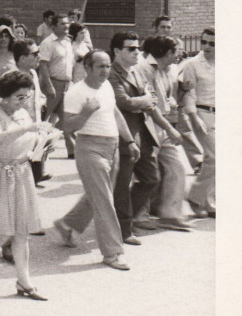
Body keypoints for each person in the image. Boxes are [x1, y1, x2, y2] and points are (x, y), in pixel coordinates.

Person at [52, 50, 137, 271]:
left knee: (99, 194)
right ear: (87, 68)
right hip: (90, 148)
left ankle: (68, 226)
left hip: (113, 146)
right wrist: (85, 113)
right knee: (105, 201)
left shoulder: (107, 86)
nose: (105, 71)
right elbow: (67, 127)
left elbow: (115, 113)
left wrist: (129, 141)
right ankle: (113, 253)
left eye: (108, 66)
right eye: (100, 66)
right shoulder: (76, 92)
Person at [0, 71, 49, 300]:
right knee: (3, 230)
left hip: (22, 171)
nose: (23, 101)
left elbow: (29, 141)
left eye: (26, 96)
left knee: (21, 231)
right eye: (19, 97)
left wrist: (44, 141)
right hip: (1, 172)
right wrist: (28, 129)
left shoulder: (23, 113)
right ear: (5, 97)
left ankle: (24, 282)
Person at [108, 31, 163, 243]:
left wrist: (144, 99)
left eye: (138, 48)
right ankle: (123, 229)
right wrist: (145, 100)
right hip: (125, 135)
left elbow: (152, 97)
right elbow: (123, 102)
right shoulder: (112, 74)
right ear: (116, 51)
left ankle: (122, 216)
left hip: (144, 133)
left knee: (151, 179)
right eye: (131, 48)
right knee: (122, 184)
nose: (136, 52)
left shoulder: (136, 71)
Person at [136, 35, 191, 231]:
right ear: (168, 53)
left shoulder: (166, 70)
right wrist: (169, 128)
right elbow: (150, 105)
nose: (180, 55)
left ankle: (170, 214)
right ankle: (139, 215)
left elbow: (168, 98)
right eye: (178, 51)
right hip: (148, 127)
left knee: (176, 168)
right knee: (148, 173)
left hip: (163, 124)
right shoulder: (144, 69)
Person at [183, 27, 215, 218]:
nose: (206, 46)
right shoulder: (192, 64)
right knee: (215, 157)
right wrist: (194, 118)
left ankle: (209, 201)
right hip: (202, 113)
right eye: (204, 42)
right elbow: (188, 94)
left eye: (212, 43)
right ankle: (196, 196)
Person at [13, 39, 50, 186]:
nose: (39, 56)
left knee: (33, 173)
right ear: (22, 58)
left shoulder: (33, 73)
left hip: (35, 128)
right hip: (19, 132)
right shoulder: (12, 77)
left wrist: (42, 100)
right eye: (34, 54)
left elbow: (38, 95)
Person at [38, 13, 75, 158]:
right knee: (44, 119)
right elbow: (43, 65)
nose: (66, 26)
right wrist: (49, 86)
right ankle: (37, 152)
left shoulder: (67, 42)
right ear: (53, 27)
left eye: (67, 23)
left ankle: (72, 151)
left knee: (67, 119)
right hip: (52, 84)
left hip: (67, 85)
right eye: (62, 24)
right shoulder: (48, 43)